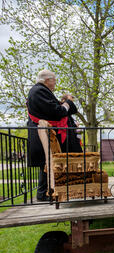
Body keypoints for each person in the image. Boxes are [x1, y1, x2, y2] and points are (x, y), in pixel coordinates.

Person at [27, 69, 73, 201]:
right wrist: (68, 103)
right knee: (45, 163)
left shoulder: (40, 90)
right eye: (54, 80)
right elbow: (56, 112)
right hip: (41, 132)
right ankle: (42, 193)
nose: (55, 83)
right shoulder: (39, 91)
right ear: (47, 80)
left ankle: (44, 192)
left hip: (43, 131)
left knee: (46, 163)